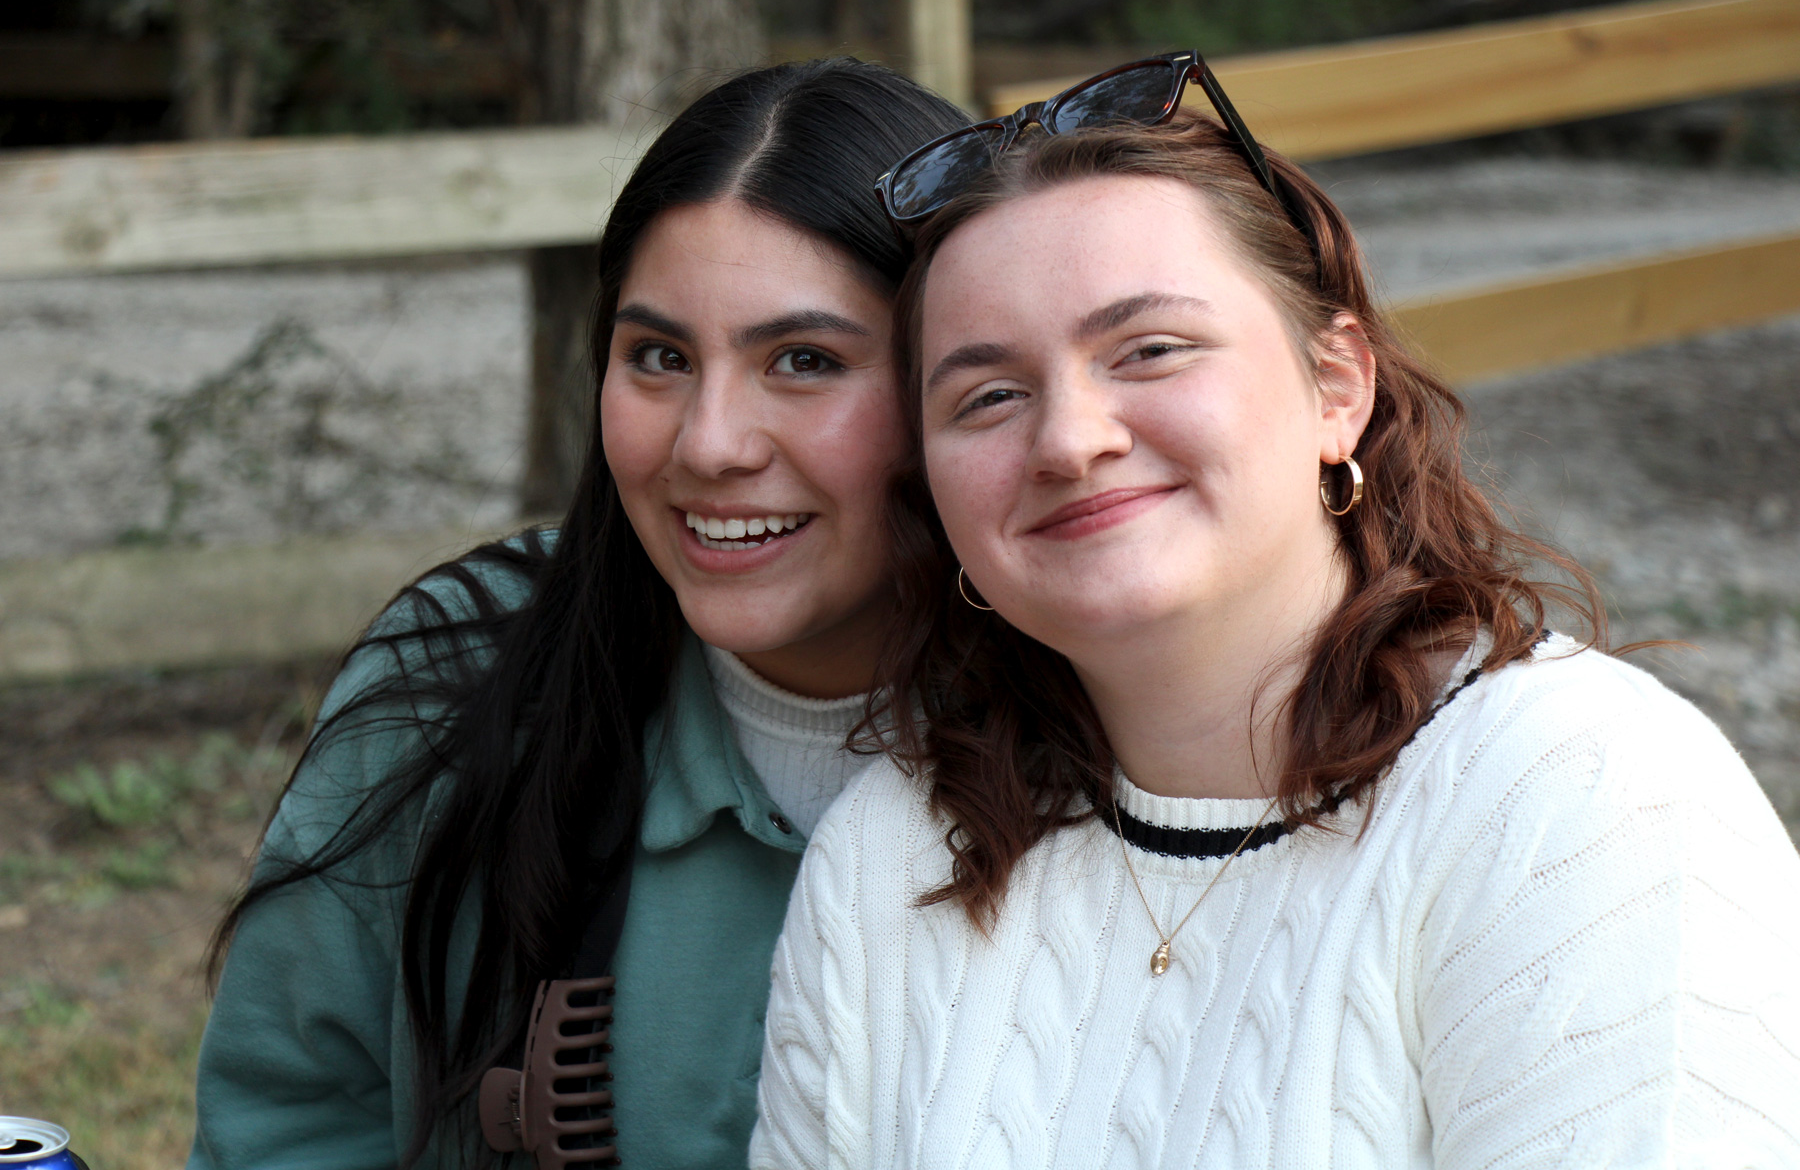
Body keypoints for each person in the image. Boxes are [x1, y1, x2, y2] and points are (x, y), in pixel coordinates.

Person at [753, 62, 1800, 1167]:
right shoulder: (895, 854)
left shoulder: (1574, 802)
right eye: (989, 396)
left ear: (1337, 387)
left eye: (1149, 349)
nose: (1068, 439)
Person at [190, 58, 966, 1170]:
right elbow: (289, 1127)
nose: (707, 443)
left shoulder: (1115, 724)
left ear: (963, 380)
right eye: (658, 356)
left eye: (804, 361)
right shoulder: (452, 687)